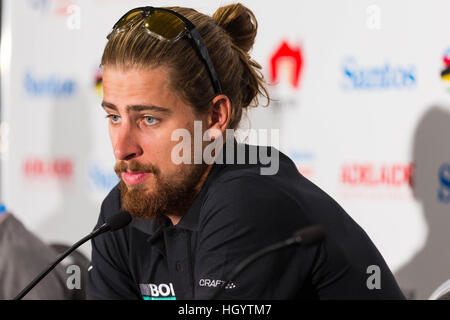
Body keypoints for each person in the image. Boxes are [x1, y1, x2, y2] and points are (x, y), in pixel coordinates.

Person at [86, 3, 405, 300]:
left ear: (214, 118)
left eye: (149, 119)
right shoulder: (122, 211)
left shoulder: (246, 200)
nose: (121, 147)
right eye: (114, 116)